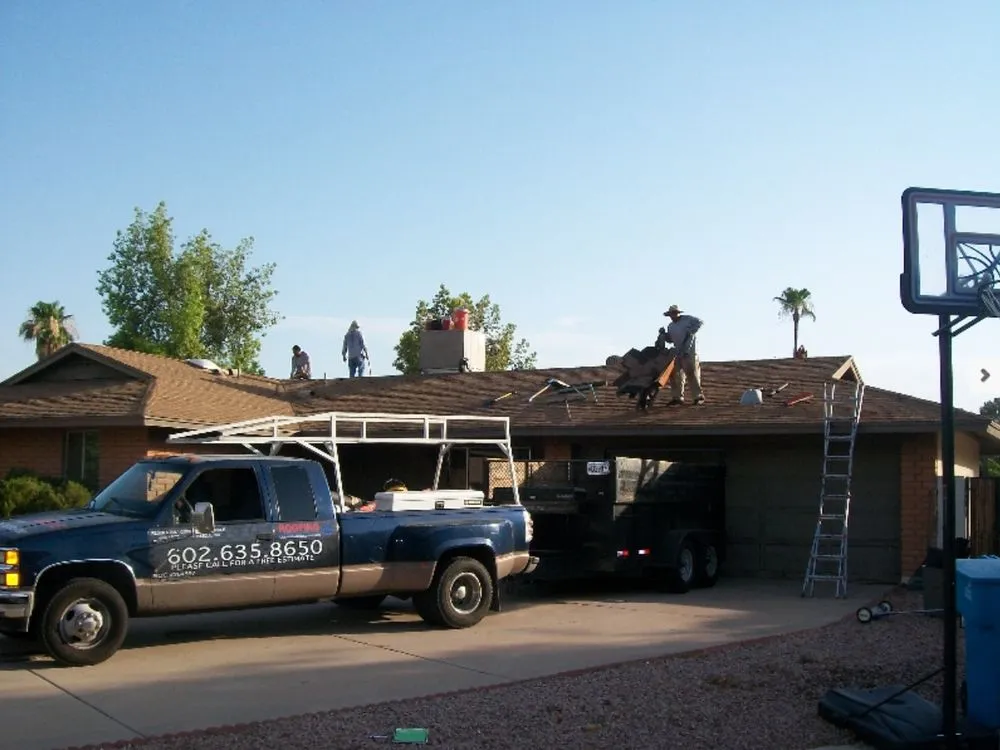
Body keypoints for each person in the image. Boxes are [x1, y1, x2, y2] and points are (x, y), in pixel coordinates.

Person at [662, 304, 705, 405]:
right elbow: (671, 340)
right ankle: (677, 397)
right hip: (678, 352)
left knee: (691, 373)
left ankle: (698, 396)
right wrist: (664, 335)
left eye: (674, 313)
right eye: (671, 314)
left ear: (678, 313)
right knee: (675, 375)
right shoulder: (671, 326)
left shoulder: (688, 320)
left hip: (689, 352)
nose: (673, 316)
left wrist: (691, 331)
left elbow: (700, 322)